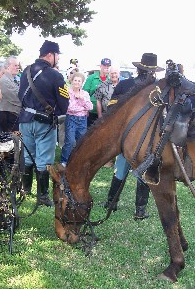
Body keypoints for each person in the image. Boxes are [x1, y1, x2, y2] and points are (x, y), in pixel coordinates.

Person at [105, 53, 164, 220]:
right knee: (142, 172)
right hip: (148, 140)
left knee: (120, 169)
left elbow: (112, 111)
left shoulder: (125, 85)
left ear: (138, 69)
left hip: (127, 138)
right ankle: (140, 210)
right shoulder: (158, 89)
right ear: (153, 72)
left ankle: (111, 203)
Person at [18, 40, 69, 206]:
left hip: (25, 120)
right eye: (57, 55)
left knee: (27, 156)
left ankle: (25, 190)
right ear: (50, 55)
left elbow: (20, 95)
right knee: (44, 159)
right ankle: (43, 196)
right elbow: (64, 102)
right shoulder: (55, 75)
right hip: (44, 123)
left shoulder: (26, 71)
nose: (58, 58)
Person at [60, 72, 93, 167]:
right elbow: (69, 108)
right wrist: (83, 108)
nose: (77, 82)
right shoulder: (67, 92)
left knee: (81, 141)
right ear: (71, 81)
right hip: (71, 119)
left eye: (79, 81)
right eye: (75, 80)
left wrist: (82, 100)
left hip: (82, 120)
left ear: (82, 82)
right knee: (69, 141)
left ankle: (78, 160)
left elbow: (90, 107)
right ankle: (64, 161)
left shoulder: (85, 94)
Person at [0, 56, 21, 137]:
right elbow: (18, 99)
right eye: (15, 65)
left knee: (14, 144)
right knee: (8, 145)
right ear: (7, 66)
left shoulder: (11, 79)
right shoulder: (5, 80)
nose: (18, 67)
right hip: (7, 117)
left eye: (18, 65)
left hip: (11, 116)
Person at [83, 58, 111, 126]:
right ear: (101, 66)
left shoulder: (110, 79)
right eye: (105, 65)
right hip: (91, 112)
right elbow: (84, 94)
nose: (106, 67)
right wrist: (85, 109)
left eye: (108, 66)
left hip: (104, 112)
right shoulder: (92, 78)